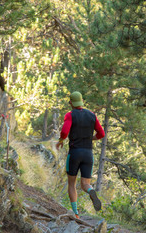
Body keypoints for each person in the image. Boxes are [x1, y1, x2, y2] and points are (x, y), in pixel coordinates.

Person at [56, 91, 105, 219]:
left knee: (72, 184)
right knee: (85, 184)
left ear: (71, 102)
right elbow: (101, 133)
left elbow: (64, 132)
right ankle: (90, 191)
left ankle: (76, 213)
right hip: (88, 154)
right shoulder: (92, 115)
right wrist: (91, 138)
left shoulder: (70, 115)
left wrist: (61, 141)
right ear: (81, 101)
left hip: (75, 153)